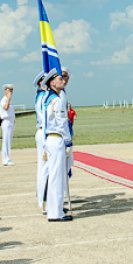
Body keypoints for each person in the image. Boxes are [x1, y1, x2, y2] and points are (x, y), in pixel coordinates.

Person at [42, 68, 72, 222]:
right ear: (52, 82)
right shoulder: (57, 100)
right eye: (59, 79)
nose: (62, 80)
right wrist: (68, 142)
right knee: (58, 176)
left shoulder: (48, 98)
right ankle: (56, 213)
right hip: (57, 138)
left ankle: (54, 210)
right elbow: (62, 123)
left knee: (54, 175)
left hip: (50, 139)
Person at [33, 71, 49, 211]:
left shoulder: (40, 95)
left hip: (42, 131)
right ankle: (44, 201)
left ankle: (43, 199)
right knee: (45, 168)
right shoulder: (43, 96)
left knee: (43, 168)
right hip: (44, 132)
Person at [0, 83, 15, 166]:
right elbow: (6, 107)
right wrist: (8, 98)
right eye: (9, 90)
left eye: (12, 90)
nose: (11, 92)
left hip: (10, 122)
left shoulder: (8, 100)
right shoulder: (4, 99)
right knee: (6, 141)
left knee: (9, 141)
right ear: (5, 90)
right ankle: (5, 159)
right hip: (6, 122)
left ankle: (8, 158)